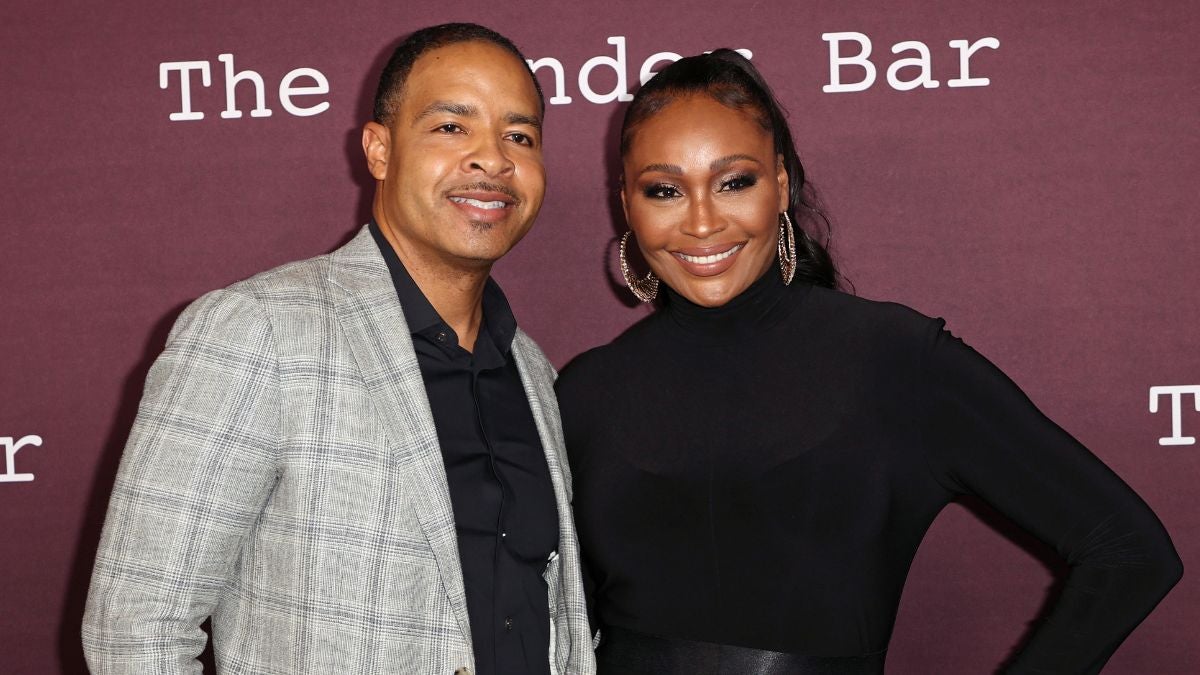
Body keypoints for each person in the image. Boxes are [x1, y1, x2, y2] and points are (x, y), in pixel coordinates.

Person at [555, 50, 1182, 674]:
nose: (701, 222)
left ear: (781, 184)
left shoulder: (892, 361)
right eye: (664, 190)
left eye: (734, 182)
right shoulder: (584, 392)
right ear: (628, 203)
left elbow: (1129, 552)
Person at [83, 23, 594, 675]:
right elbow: (136, 629)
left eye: (519, 136)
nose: (491, 159)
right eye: (451, 127)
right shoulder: (257, 331)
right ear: (379, 150)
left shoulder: (532, 370)